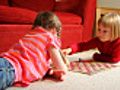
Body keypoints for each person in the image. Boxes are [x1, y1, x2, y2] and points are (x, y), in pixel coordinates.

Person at [0, 11, 67, 89]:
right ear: (54, 30)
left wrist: (49, 71)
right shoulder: (50, 38)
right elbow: (62, 68)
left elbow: (33, 60)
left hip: (4, 59)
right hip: (11, 69)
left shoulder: (31, 35)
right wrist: (58, 70)